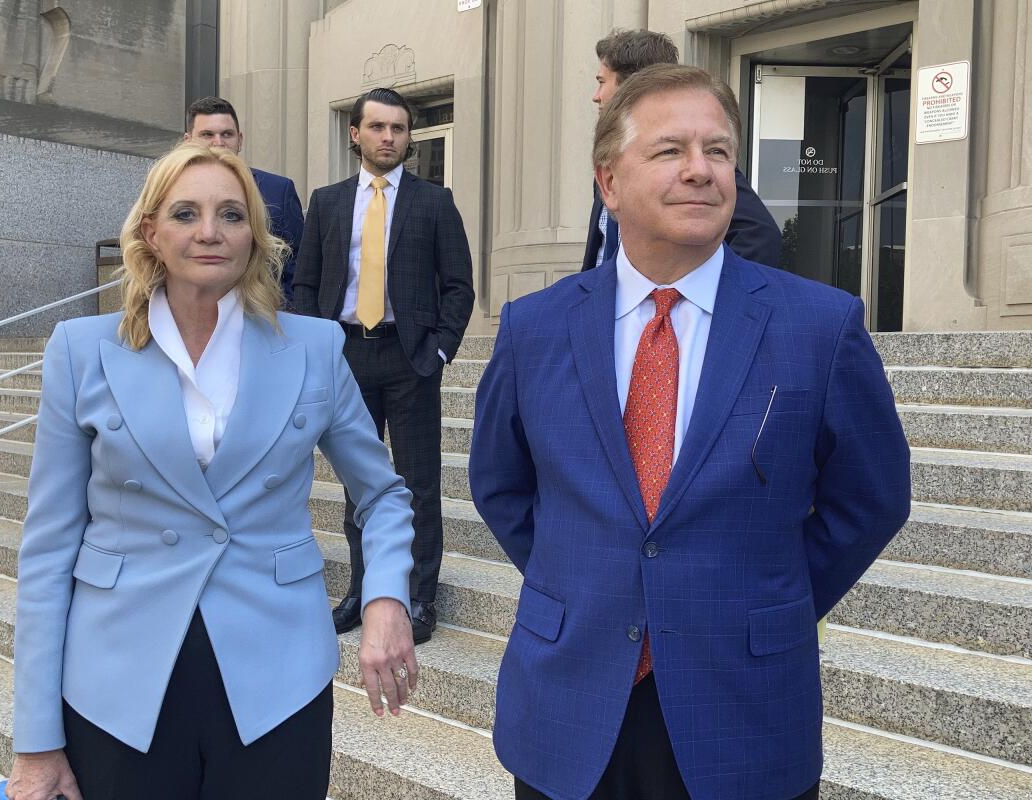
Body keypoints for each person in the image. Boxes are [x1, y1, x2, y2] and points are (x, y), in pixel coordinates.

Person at [470, 65, 911, 800]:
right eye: (670, 150)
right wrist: (588, 579)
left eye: (719, 150)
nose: (701, 171)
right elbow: (500, 483)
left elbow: (872, 498)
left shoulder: (819, 326)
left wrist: (766, 593)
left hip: (744, 708)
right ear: (608, 182)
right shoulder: (535, 327)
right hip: (569, 706)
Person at [6, 144, 419, 800]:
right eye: (185, 212)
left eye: (231, 214)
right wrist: (35, 740)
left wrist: (388, 599)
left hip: (278, 678)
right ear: (152, 234)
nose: (209, 231)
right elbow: (49, 548)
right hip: (116, 685)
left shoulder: (313, 349)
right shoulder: (82, 353)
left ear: (254, 235)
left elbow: (384, 495)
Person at [293, 87, 475, 644]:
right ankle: (364, 588)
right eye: (377, 127)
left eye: (398, 129)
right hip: (345, 355)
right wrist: (316, 345)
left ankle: (419, 597)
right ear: (356, 134)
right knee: (358, 483)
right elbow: (305, 281)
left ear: (408, 137)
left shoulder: (433, 202)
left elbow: (459, 286)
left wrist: (439, 351)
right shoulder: (326, 202)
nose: (388, 137)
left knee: (417, 482)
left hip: (410, 357)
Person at [582, 29, 782, 271]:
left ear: (632, 83)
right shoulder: (610, 166)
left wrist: (718, 295)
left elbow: (760, 235)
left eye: (602, 82)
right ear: (607, 179)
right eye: (669, 151)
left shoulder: (704, 172)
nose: (596, 96)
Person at [183, 96, 305, 303]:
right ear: (188, 140)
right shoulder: (170, 190)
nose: (218, 142)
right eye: (207, 134)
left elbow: (299, 264)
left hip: (263, 316)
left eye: (227, 134)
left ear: (240, 139)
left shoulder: (278, 190)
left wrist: (287, 312)